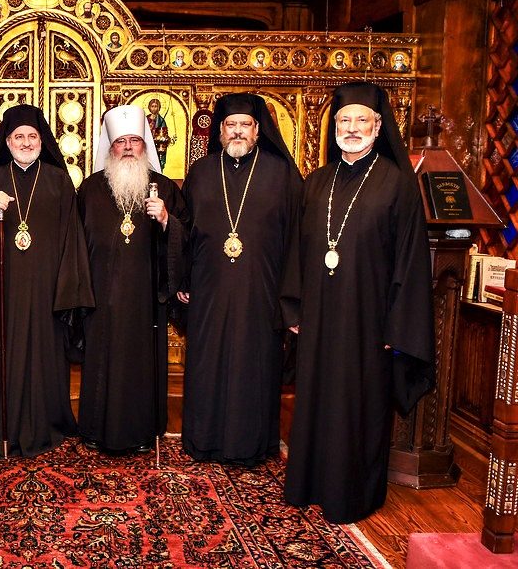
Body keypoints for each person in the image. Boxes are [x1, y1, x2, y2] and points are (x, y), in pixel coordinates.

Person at [283, 82, 434, 524]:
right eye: (344, 120)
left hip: (368, 322)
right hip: (318, 317)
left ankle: (353, 494)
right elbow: (297, 251)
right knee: (315, 399)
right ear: (334, 128)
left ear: (378, 126)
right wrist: (294, 309)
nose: (352, 128)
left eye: (361, 120)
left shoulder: (397, 185)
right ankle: (310, 482)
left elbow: (410, 261)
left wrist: (396, 326)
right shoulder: (317, 182)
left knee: (358, 405)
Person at [178, 93, 302, 465]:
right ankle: (204, 440)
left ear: (258, 130)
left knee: (255, 363)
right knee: (208, 362)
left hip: (261, 289)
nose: (237, 131)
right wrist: (184, 279)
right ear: (219, 131)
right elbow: (185, 231)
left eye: (244, 125)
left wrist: (290, 298)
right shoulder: (202, 172)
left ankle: (252, 445)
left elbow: (297, 239)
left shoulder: (281, 174)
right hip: (209, 289)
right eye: (230, 125)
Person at [0, 104, 94, 457]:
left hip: (47, 290)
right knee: (4, 356)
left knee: (45, 358)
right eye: (18, 136)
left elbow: (73, 239)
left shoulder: (58, 180)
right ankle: (1, 425)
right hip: (3, 291)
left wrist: (66, 289)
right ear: (7, 142)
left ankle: (49, 423)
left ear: (42, 141)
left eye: (32, 136)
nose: (25, 142)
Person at [77, 105, 184, 453]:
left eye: (134, 141)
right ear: (110, 146)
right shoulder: (90, 189)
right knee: (100, 361)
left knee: (141, 364)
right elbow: (75, 244)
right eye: (120, 141)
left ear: (144, 145)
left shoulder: (163, 188)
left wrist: (166, 220)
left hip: (145, 299)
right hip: (100, 297)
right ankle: (95, 429)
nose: (127, 147)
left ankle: (141, 433)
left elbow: (188, 237)